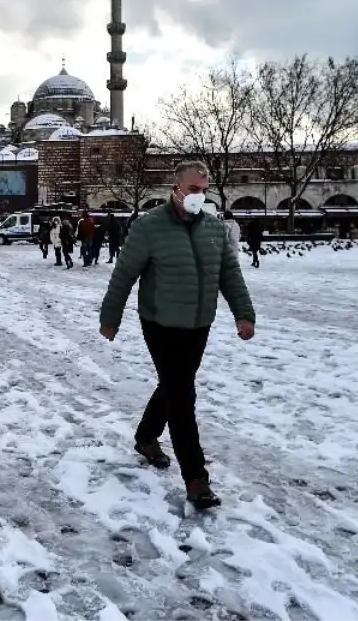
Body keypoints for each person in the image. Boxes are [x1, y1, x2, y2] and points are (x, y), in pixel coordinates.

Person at [98, 161, 256, 510]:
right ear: (177, 187)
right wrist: (110, 318)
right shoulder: (149, 227)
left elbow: (229, 273)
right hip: (160, 322)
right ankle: (196, 477)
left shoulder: (214, 229)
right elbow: (124, 274)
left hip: (199, 322)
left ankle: (145, 436)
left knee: (174, 385)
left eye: (205, 189)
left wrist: (244, 314)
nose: (200, 195)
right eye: (194, 189)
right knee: (183, 394)